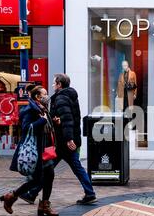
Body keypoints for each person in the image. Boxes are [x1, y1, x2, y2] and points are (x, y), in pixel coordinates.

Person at [20, 74, 97, 205]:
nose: (53, 85)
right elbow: (67, 118)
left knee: (50, 169)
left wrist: (68, 139)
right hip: (64, 141)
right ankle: (89, 193)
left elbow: (67, 119)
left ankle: (32, 193)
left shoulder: (61, 98)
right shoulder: (69, 96)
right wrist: (57, 121)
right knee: (70, 168)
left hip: (63, 142)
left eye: (54, 83)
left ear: (59, 84)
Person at [0, 86, 58, 216]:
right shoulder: (30, 110)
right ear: (37, 96)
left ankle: (44, 205)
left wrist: (53, 122)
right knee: (37, 180)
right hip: (35, 150)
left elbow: (45, 126)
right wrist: (41, 121)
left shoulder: (42, 108)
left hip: (44, 149)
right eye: (45, 94)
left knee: (49, 175)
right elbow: (26, 128)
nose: (47, 96)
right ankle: (12, 196)